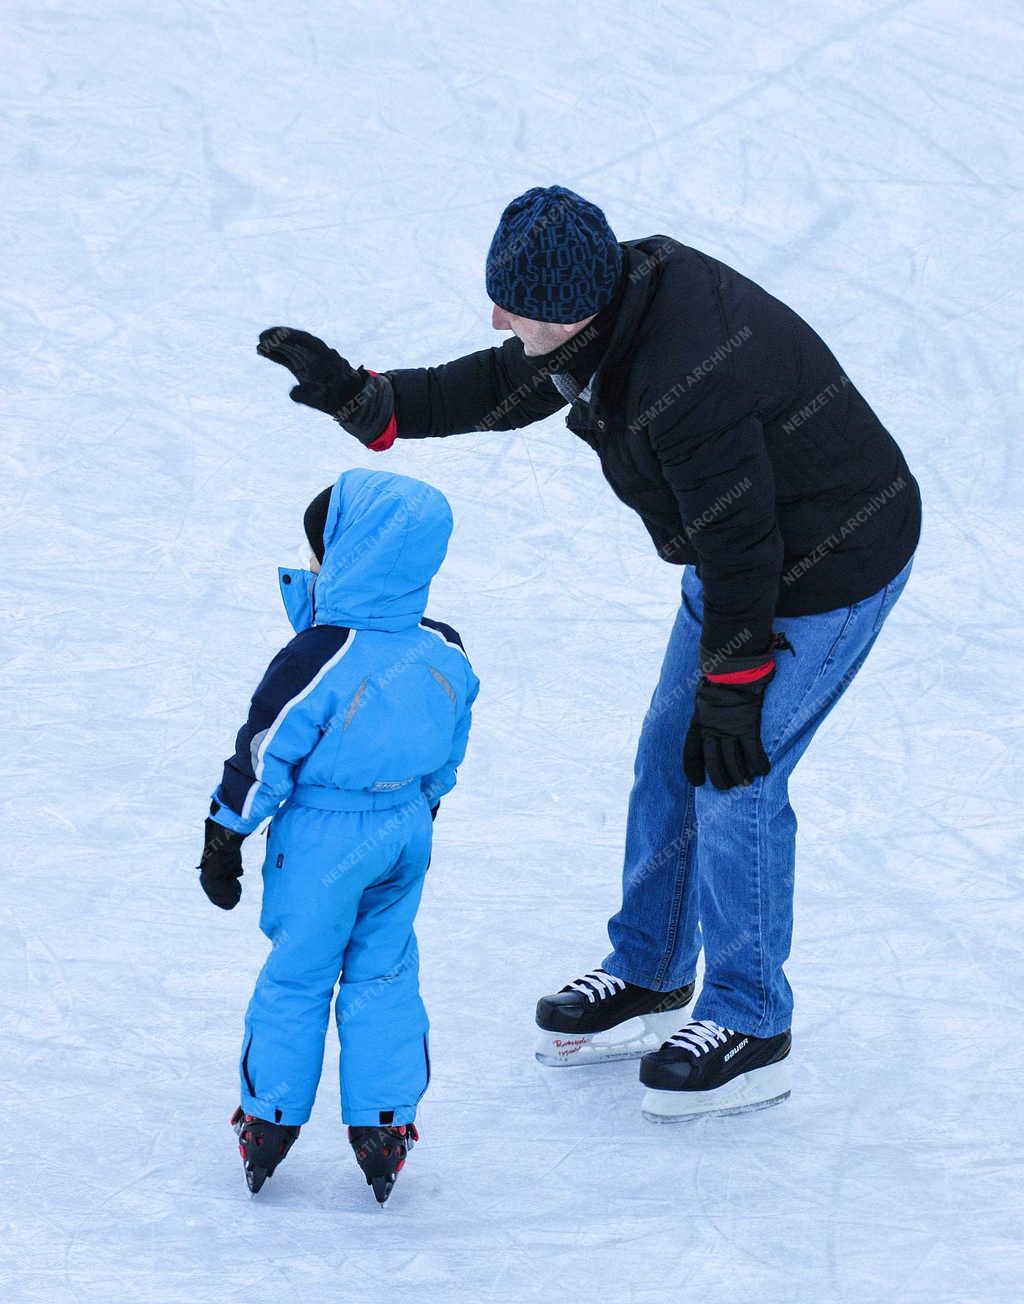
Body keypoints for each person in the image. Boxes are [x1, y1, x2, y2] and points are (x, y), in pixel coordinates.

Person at [255, 184, 920, 1122]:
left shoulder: (686, 371)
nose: (497, 317)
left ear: (572, 312)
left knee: (736, 773)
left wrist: (735, 689)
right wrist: (372, 401)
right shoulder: (609, 307)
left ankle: (752, 1019)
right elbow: (504, 382)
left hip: (832, 563)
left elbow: (743, 547)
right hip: (746, 558)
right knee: (668, 752)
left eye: (513, 308)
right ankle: (650, 972)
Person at [197, 468, 479, 1200]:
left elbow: (266, 751)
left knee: (299, 974)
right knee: (383, 974)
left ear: (353, 555)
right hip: (405, 833)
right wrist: (424, 810)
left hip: (323, 842)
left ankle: (270, 1117)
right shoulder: (443, 648)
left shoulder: (319, 654)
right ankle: (384, 1122)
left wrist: (224, 834)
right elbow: (451, 745)